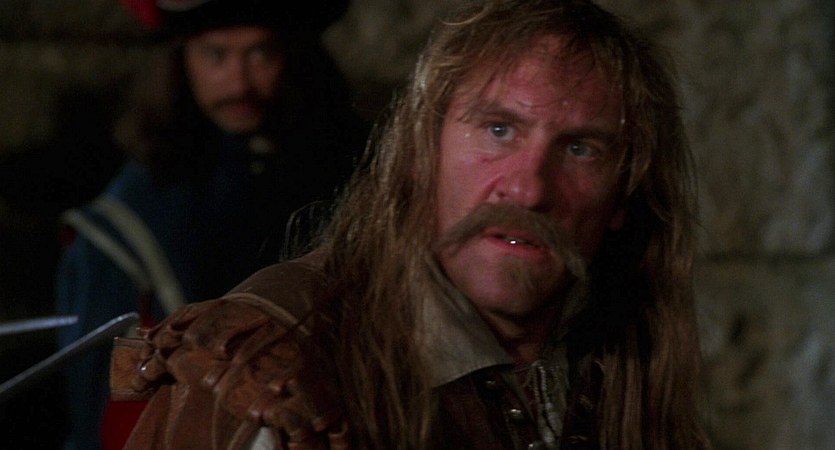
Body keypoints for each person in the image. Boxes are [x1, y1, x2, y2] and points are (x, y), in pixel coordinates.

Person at [111, 0, 712, 448]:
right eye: (498, 130)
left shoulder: (620, 365)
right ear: (423, 152)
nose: (529, 189)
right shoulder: (287, 373)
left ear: (624, 194)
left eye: (580, 148)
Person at [55, 0, 365, 449]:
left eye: (260, 54)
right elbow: (104, 409)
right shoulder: (124, 227)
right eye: (216, 55)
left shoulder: (337, 177)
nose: (239, 83)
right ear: (182, 58)